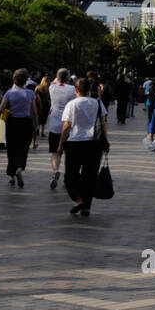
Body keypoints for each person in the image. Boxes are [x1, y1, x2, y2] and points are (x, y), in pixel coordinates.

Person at [58, 77, 108, 216]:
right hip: (94, 144)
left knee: (70, 175)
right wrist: (106, 141)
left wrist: (61, 144)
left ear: (76, 90)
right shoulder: (97, 103)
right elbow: (103, 123)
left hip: (75, 144)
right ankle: (87, 206)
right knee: (90, 176)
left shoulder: (72, 104)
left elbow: (67, 125)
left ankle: (79, 200)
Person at [0, 69, 37, 188]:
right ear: (26, 80)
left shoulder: (9, 93)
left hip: (12, 122)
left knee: (12, 148)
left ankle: (12, 175)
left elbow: (0, 110)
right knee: (23, 148)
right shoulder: (30, 93)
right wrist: (35, 125)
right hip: (26, 122)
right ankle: (20, 168)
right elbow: (34, 111)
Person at [46, 68, 77, 190]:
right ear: (68, 77)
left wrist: (58, 78)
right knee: (69, 154)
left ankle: (55, 170)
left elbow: (55, 81)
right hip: (69, 124)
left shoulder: (52, 88)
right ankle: (67, 178)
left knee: (55, 152)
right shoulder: (72, 90)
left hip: (54, 124)